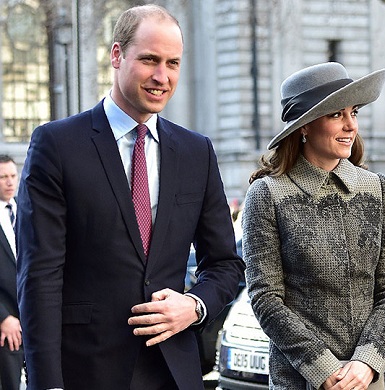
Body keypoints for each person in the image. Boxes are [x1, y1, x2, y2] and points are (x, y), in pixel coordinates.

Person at [16, 4, 244, 390]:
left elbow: (224, 264)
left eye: (173, 63)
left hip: (174, 372)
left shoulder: (196, 152)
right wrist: (46, 383)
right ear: (117, 55)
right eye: (150, 60)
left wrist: (193, 305)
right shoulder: (56, 145)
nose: (162, 76)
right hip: (85, 372)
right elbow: (39, 277)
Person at [242, 62, 385, 390]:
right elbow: (265, 297)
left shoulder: (378, 188)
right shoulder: (267, 194)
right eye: (336, 115)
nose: (350, 126)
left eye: (354, 113)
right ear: (304, 126)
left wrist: (367, 361)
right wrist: (323, 368)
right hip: (301, 378)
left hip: (368, 379)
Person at [0, 155, 22, 390]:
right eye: (3, 177)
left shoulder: (26, 210)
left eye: (13, 176)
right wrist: (3, 318)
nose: (9, 182)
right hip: (5, 327)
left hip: (33, 320)